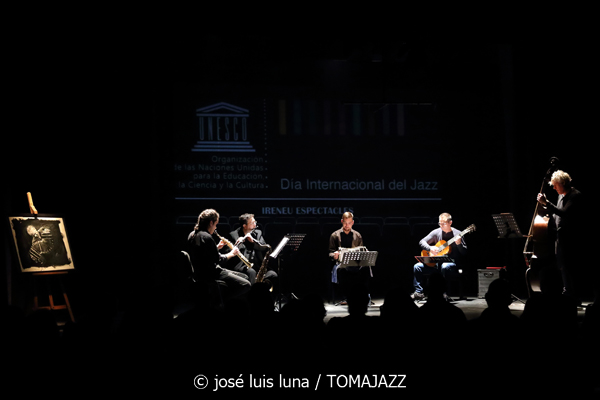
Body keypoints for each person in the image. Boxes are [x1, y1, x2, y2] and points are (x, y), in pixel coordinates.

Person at [536, 170, 586, 303]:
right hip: (560, 237)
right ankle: (567, 293)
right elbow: (556, 214)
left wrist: (547, 203)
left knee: (569, 267)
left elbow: (564, 213)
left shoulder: (574, 196)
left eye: (555, 185)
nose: (553, 188)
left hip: (571, 239)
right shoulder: (561, 196)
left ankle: (572, 296)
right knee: (562, 266)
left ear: (563, 183)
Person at [187, 209, 251, 300]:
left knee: (245, 276)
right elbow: (218, 260)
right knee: (246, 284)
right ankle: (222, 301)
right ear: (211, 223)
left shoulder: (192, 235)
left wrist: (216, 247)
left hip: (200, 272)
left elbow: (203, 254)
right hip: (210, 273)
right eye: (216, 224)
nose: (215, 228)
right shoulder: (207, 237)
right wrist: (232, 253)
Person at [411, 213, 467, 301]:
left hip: (451, 264)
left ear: (450, 223)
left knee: (445, 266)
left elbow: (464, 252)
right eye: (439, 223)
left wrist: (459, 244)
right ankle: (419, 293)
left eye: (443, 223)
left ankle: (443, 293)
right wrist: (430, 248)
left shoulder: (458, 234)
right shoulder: (436, 232)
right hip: (435, 264)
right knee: (417, 266)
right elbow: (422, 242)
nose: (441, 226)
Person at [225, 213, 278, 289]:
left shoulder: (258, 233)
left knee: (273, 274)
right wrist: (238, 244)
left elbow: (263, 247)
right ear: (244, 225)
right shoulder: (234, 235)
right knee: (251, 272)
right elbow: (229, 252)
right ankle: (252, 294)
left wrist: (253, 241)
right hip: (242, 266)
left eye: (255, 222)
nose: (255, 224)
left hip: (258, 266)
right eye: (252, 223)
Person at [328, 212, 372, 304]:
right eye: (345, 223)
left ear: (352, 222)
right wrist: (334, 255)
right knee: (342, 270)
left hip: (355, 263)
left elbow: (361, 250)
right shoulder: (335, 235)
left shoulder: (357, 235)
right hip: (341, 263)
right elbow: (330, 252)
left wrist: (365, 252)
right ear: (342, 221)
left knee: (366, 268)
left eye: (349, 223)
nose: (347, 225)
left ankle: (365, 294)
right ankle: (346, 296)